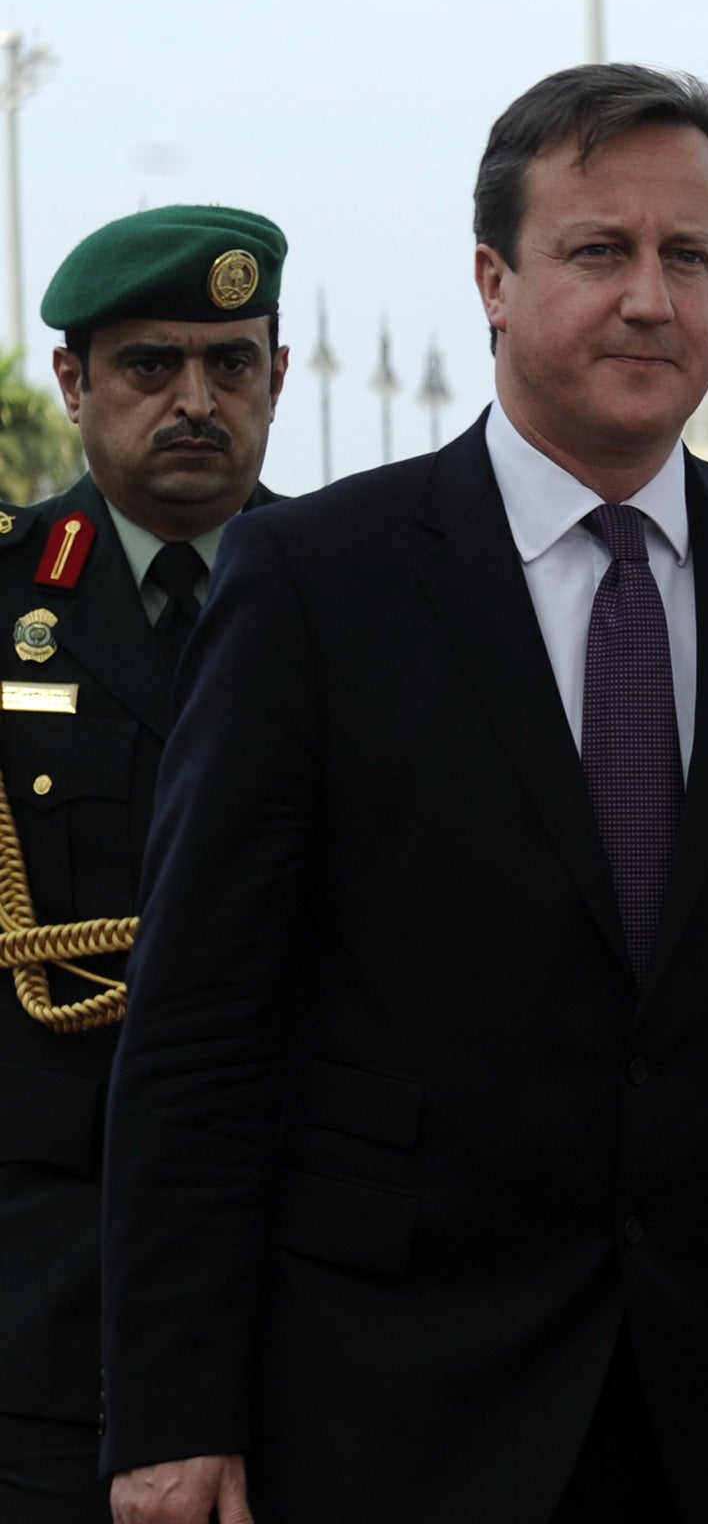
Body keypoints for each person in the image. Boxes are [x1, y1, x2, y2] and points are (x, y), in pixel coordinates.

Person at [99, 65, 708, 1524]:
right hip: (395, 1395)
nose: (652, 300)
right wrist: (173, 1410)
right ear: (494, 280)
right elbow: (202, 1024)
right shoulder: (316, 585)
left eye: (692, 257)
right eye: (598, 251)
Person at [0, 204, 289, 1524]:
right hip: (49, 1280)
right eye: (149, 365)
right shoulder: (10, 605)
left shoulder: (371, 598)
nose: (195, 399)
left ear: (277, 377)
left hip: (302, 1268)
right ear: (74, 383)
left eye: (231, 364)